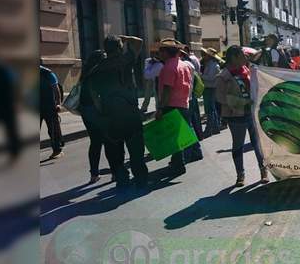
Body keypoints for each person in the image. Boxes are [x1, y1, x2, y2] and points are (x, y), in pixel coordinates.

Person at [86, 35, 149, 187]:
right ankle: (140, 179)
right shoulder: (126, 60)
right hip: (130, 112)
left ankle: (122, 180)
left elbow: (94, 95)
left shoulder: (96, 69)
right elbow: (139, 42)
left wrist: (102, 110)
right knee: (136, 150)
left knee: (115, 152)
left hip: (110, 114)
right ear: (120, 47)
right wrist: (125, 38)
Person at [216, 45, 267, 187]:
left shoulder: (247, 71)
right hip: (235, 116)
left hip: (250, 113)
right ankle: (240, 175)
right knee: (238, 146)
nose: (245, 58)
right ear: (234, 57)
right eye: (242, 56)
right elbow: (221, 98)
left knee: (257, 144)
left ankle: (263, 171)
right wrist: (241, 102)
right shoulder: (223, 76)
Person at [155, 39, 195, 177]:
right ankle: (179, 161)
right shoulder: (184, 65)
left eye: (160, 51)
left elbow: (167, 89)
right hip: (184, 103)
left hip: (171, 104)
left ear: (166, 52)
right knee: (179, 136)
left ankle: (179, 164)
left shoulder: (168, 67)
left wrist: (160, 108)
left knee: (173, 138)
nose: (159, 53)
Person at [78, 50, 107, 183]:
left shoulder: (85, 73)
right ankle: (115, 171)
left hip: (85, 110)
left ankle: (94, 174)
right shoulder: (98, 72)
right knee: (108, 140)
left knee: (95, 142)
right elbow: (95, 95)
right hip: (95, 110)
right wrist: (102, 110)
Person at [40, 63, 64, 159]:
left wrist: (58, 103)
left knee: (53, 129)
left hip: (49, 105)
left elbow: (56, 89)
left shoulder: (47, 73)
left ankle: (57, 150)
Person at [200, 47, 223, 136]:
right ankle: (215, 127)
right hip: (209, 88)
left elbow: (210, 78)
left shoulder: (214, 65)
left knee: (210, 110)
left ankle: (209, 129)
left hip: (211, 88)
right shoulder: (210, 64)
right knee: (211, 109)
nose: (204, 56)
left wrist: (201, 76)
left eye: (205, 55)